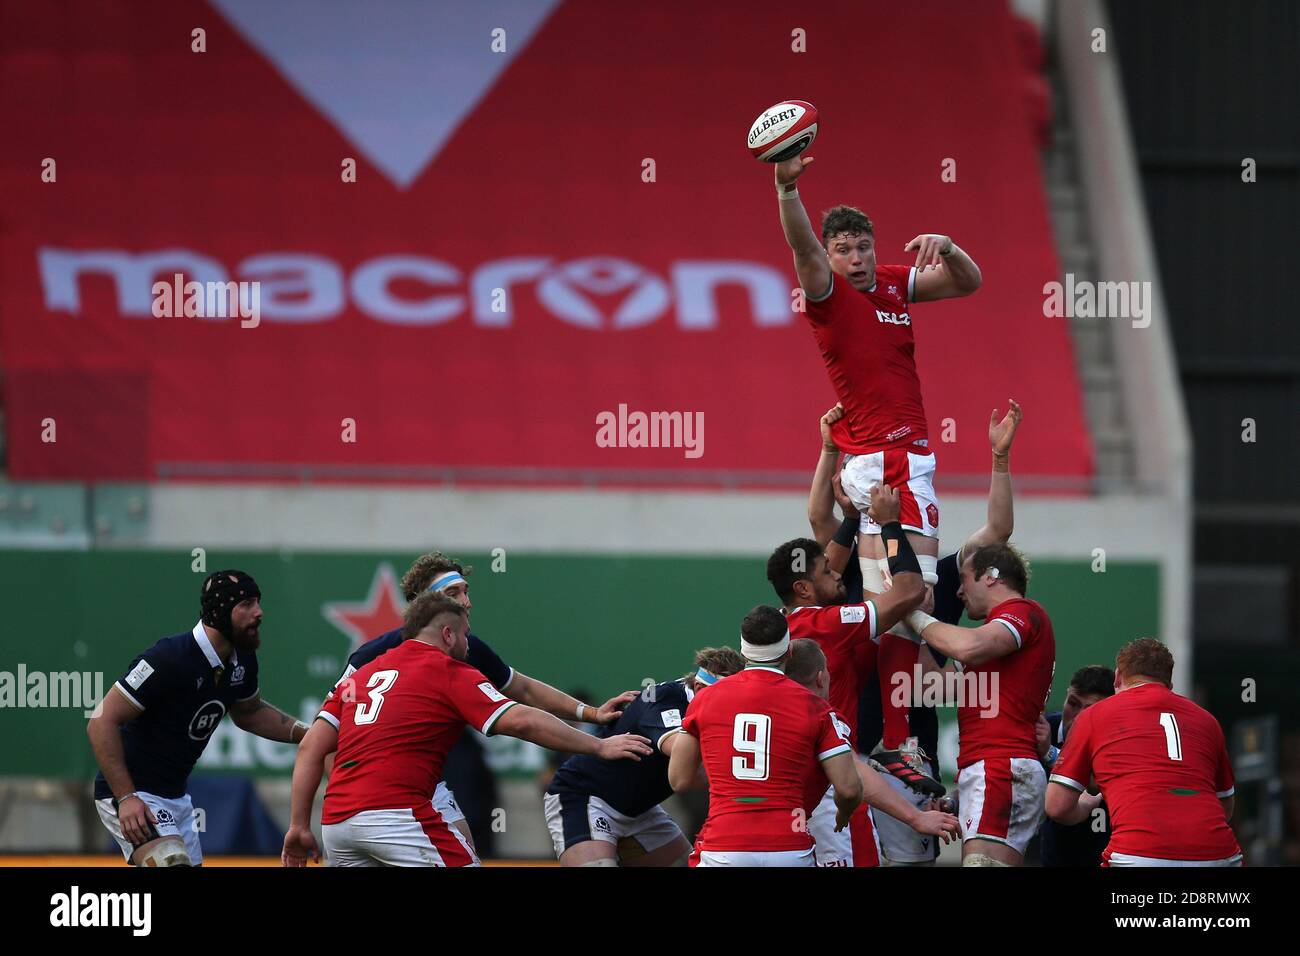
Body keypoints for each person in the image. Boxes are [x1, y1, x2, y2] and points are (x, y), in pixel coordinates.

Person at [284, 594, 651, 867]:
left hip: (336, 823)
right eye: (466, 635)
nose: (468, 644)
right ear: (448, 634)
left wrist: (300, 825)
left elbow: (311, 749)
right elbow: (522, 719)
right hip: (396, 815)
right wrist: (600, 747)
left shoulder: (360, 674)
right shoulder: (446, 670)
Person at [808, 398, 1022, 862]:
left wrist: (1000, 459)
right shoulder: (847, 575)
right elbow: (819, 521)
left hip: (909, 758)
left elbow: (998, 531)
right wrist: (828, 449)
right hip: (845, 753)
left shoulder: (937, 578)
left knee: (910, 862)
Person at [772, 150, 981, 613]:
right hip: (893, 462)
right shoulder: (829, 297)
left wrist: (947, 246)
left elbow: (968, 282)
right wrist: (787, 188)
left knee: (883, 609)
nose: (857, 257)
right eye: (843, 250)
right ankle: (933, 676)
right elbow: (803, 247)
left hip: (880, 460)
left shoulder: (891, 282)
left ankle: (884, 681)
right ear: (829, 258)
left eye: (863, 245)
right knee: (916, 601)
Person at [334, 550, 637, 851]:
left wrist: (591, 714)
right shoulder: (372, 656)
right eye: (453, 593)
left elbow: (524, 690)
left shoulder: (468, 650)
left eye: (465, 592)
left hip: (421, 784)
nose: (466, 602)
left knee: (465, 843)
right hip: (377, 795)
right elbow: (326, 732)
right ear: (426, 604)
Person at [88, 570, 307, 866]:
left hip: (176, 798)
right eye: (247, 604)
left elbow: (250, 712)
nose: (259, 613)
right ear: (219, 612)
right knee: (170, 861)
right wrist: (126, 798)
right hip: (132, 792)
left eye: (258, 602)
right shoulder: (168, 657)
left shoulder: (242, 658)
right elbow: (101, 721)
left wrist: (309, 734)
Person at [766, 483, 927, 863]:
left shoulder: (780, 628)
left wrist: (852, 519)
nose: (838, 574)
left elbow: (826, 562)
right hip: (831, 784)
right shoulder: (825, 625)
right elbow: (911, 590)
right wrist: (890, 525)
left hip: (788, 788)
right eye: (827, 570)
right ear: (803, 588)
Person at [667, 605, 862, 867]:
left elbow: (678, 779)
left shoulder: (705, 699)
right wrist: (844, 815)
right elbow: (849, 789)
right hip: (789, 847)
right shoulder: (815, 707)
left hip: (725, 844)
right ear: (789, 651)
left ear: (743, 649)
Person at [906, 544, 1056, 866]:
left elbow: (969, 647)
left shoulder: (1022, 612)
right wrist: (916, 628)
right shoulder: (995, 641)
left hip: (1001, 767)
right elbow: (928, 687)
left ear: (991, 577)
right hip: (992, 769)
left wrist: (911, 613)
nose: (959, 591)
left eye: (964, 579)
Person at [1045, 638, 1242, 867]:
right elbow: (1225, 807)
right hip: (1219, 854)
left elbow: (1057, 806)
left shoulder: (1094, 716)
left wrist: (1088, 804)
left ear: (1118, 677)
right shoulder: (1208, 721)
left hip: (1138, 852)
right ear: (1169, 684)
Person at [543, 647, 746, 866]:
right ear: (698, 687)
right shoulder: (665, 701)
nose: (731, 707)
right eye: (726, 699)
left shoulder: (704, 697)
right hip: (585, 796)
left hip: (639, 811)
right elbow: (685, 764)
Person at [784, 638, 959, 866]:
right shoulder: (823, 721)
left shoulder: (750, 709)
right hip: (823, 826)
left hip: (751, 836)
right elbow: (850, 783)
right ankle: (894, 740)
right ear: (821, 677)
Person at [1034, 665, 1114, 866]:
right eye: (1073, 703)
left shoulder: (1117, 738)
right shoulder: (1043, 730)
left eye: (1091, 710)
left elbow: (1097, 781)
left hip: (1106, 856)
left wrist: (1050, 754)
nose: (1078, 717)